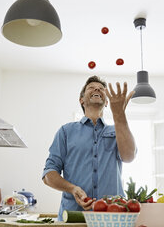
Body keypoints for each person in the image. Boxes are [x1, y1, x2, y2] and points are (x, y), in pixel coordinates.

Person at [42, 75, 136, 220]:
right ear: (81, 100)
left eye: (101, 89)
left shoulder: (117, 130)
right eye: (91, 87)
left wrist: (119, 114)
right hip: (74, 217)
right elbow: (48, 174)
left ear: (106, 102)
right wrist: (72, 189)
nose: (97, 89)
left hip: (112, 218)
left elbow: (129, 157)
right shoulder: (66, 131)